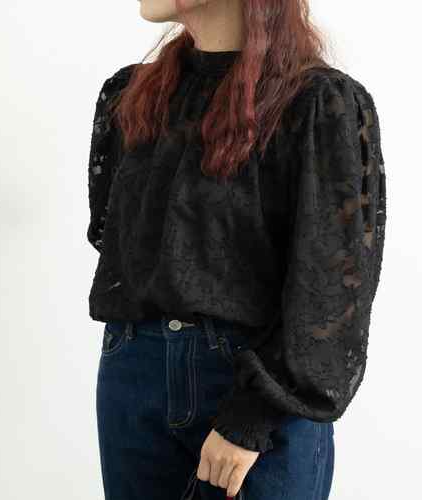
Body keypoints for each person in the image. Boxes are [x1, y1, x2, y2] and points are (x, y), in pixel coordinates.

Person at [87, 1, 387, 499]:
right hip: (133, 372)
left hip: (254, 380)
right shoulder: (131, 95)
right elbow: (116, 241)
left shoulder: (316, 102)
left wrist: (253, 417)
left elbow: (335, 290)